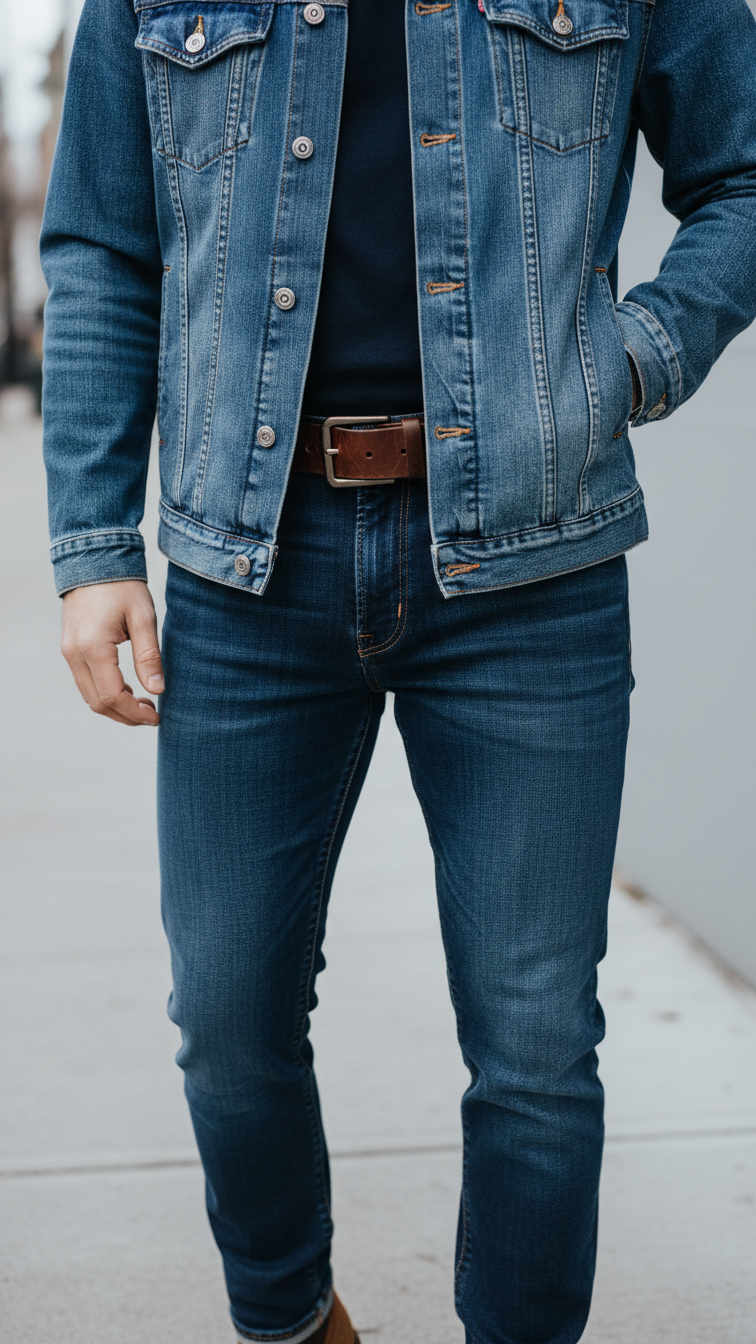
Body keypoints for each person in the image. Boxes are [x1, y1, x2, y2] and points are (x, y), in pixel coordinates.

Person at [41, 0, 756, 1339]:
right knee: (229, 1013)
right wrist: (93, 547)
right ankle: (291, 1316)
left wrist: (639, 357)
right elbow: (99, 243)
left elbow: (744, 173)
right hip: (249, 558)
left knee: (538, 1044)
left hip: (530, 562)